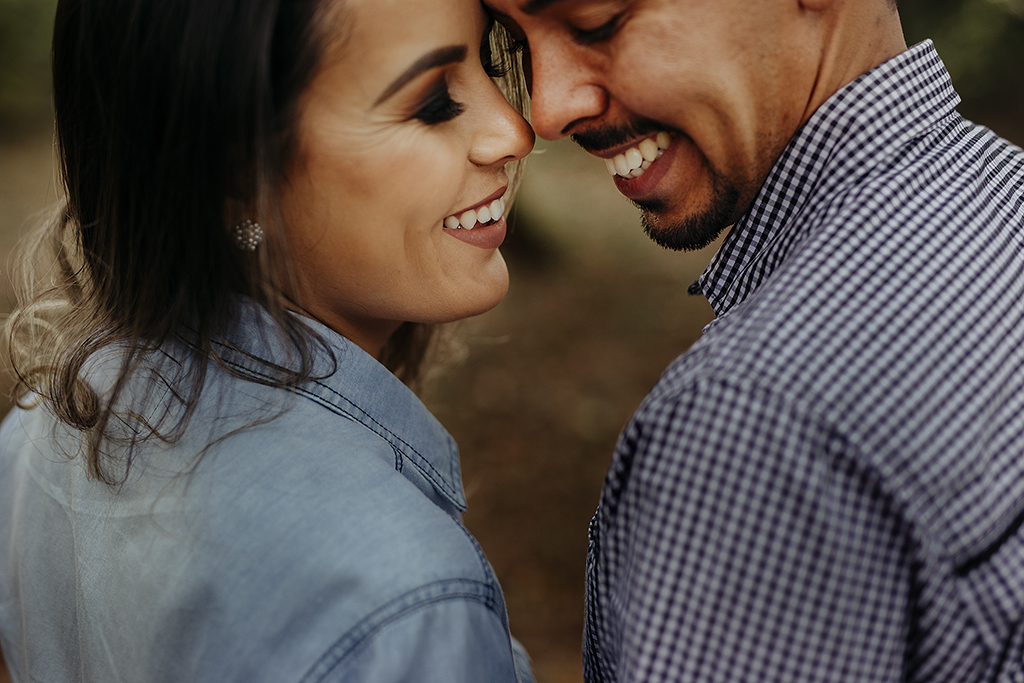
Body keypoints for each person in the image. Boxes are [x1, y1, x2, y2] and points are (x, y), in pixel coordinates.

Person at [484, 0, 1024, 680]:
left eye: (596, 22)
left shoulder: (757, 418)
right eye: (513, 45)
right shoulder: (1004, 198)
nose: (546, 111)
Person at [0, 0, 537, 680]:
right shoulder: (398, 597)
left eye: (490, 64)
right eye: (433, 102)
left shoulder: (39, 435)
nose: (514, 129)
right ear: (235, 174)